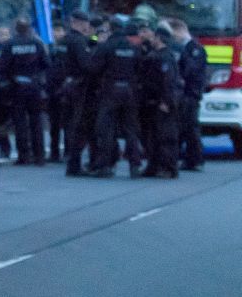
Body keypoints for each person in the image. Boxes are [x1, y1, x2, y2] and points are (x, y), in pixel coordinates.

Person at [89, 18, 145, 179]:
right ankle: (135, 165)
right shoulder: (133, 48)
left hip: (110, 91)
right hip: (129, 91)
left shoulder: (106, 47)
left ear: (110, 29)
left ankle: (105, 165)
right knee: (130, 129)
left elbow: (94, 68)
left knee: (106, 128)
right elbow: (140, 69)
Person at [0, 16, 50, 166]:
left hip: (17, 86)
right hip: (34, 86)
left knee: (20, 122)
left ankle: (24, 156)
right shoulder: (37, 43)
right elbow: (46, 63)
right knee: (36, 121)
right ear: (28, 28)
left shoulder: (9, 44)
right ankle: (39, 156)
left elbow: (3, 67)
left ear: (15, 29)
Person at [135, 22, 181, 179]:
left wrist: (166, 101)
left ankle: (168, 167)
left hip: (162, 103)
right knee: (151, 137)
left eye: (154, 37)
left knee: (165, 136)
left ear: (159, 38)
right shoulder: (155, 56)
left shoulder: (165, 57)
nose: (151, 39)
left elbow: (168, 81)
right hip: (151, 102)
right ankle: (153, 166)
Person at [59, 12, 98, 176]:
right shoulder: (78, 41)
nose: (87, 26)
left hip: (65, 86)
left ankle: (71, 160)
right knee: (80, 125)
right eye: (85, 23)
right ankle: (74, 164)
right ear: (79, 23)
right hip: (79, 87)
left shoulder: (63, 41)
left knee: (70, 124)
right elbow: (87, 65)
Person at [171, 18, 208, 172]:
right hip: (185, 93)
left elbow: (190, 71)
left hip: (191, 93)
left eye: (174, 34)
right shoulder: (187, 48)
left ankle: (196, 159)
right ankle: (187, 158)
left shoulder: (194, 48)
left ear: (180, 31)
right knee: (184, 126)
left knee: (191, 127)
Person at [0, 22, 15, 159]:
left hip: (12, 89)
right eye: (1, 34)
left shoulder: (13, 48)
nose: (3, 37)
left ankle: (25, 150)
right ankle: (4, 148)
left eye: (5, 34)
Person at [48, 22, 69, 161]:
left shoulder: (68, 47)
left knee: (67, 122)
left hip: (65, 88)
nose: (57, 34)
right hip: (52, 89)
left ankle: (68, 151)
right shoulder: (49, 49)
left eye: (59, 30)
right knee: (54, 123)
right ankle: (54, 151)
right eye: (55, 31)